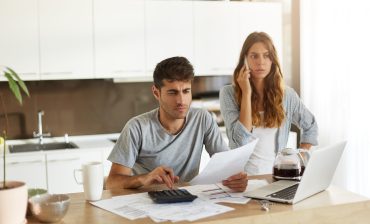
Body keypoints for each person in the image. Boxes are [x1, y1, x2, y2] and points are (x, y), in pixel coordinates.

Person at [106, 56, 247, 191]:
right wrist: (145, 178)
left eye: (186, 91)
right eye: (172, 92)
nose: (181, 101)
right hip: (147, 202)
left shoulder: (203, 119)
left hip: (189, 202)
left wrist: (236, 178)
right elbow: (112, 183)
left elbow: (226, 165)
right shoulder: (136, 128)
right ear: (156, 93)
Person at [220, 32, 318, 175]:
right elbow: (240, 141)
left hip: (275, 179)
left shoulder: (287, 95)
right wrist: (246, 93)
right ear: (245, 59)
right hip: (240, 181)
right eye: (254, 56)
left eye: (266, 55)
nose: (261, 62)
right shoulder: (228, 93)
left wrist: (300, 158)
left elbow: (311, 126)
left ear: (272, 60)